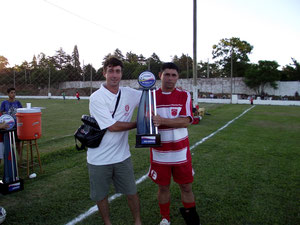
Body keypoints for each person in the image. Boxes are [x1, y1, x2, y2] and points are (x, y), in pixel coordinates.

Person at [87, 56, 142, 225]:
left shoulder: (129, 93)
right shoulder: (96, 97)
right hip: (98, 158)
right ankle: (107, 222)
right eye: (110, 71)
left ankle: (137, 221)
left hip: (122, 156)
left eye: (117, 71)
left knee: (131, 192)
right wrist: (138, 124)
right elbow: (112, 127)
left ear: (121, 74)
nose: (114, 75)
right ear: (104, 73)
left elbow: (150, 98)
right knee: (101, 195)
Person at [149, 63, 200, 225]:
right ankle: (165, 218)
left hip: (180, 151)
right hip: (159, 152)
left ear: (178, 77)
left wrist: (162, 120)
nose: (170, 78)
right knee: (163, 188)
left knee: (186, 187)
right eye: (167, 74)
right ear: (160, 75)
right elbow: (148, 121)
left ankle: (192, 219)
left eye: (173, 75)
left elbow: (186, 121)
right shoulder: (151, 96)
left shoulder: (184, 95)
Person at [0, 88, 22, 155]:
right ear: (8, 94)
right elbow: (1, 114)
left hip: (16, 126)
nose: (13, 94)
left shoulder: (17, 103)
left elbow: (21, 112)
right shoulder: (4, 103)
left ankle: (20, 160)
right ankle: (10, 161)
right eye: (11, 93)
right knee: (8, 144)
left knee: (18, 144)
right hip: (8, 127)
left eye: (14, 93)